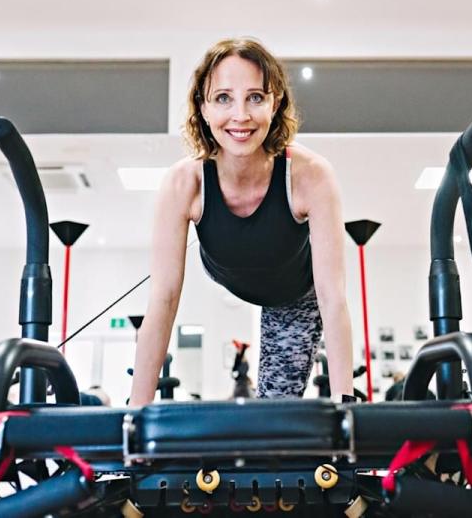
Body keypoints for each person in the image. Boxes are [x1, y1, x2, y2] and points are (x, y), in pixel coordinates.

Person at [128, 37, 354, 406]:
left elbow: (333, 298)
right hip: (225, 269)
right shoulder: (184, 182)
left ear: (275, 101)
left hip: (293, 294)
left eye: (255, 97)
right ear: (202, 107)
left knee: (276, 414)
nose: (240, 115)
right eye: (223, 98)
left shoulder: (311, 175)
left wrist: (347, 405)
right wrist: (135, 411)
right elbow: (164, 298)